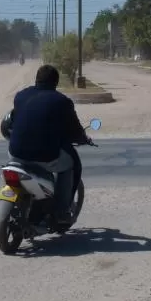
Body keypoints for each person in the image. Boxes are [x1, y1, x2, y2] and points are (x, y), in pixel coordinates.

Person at [7, 64, 89, 224]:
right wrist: (82, 138)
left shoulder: (20, 96)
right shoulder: (62, 101)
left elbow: (15, 120)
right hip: (45, 155)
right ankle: (61, 210)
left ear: (36, 79)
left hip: (15, 152)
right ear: (55, 82)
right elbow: (75, 129)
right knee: (71, 165)